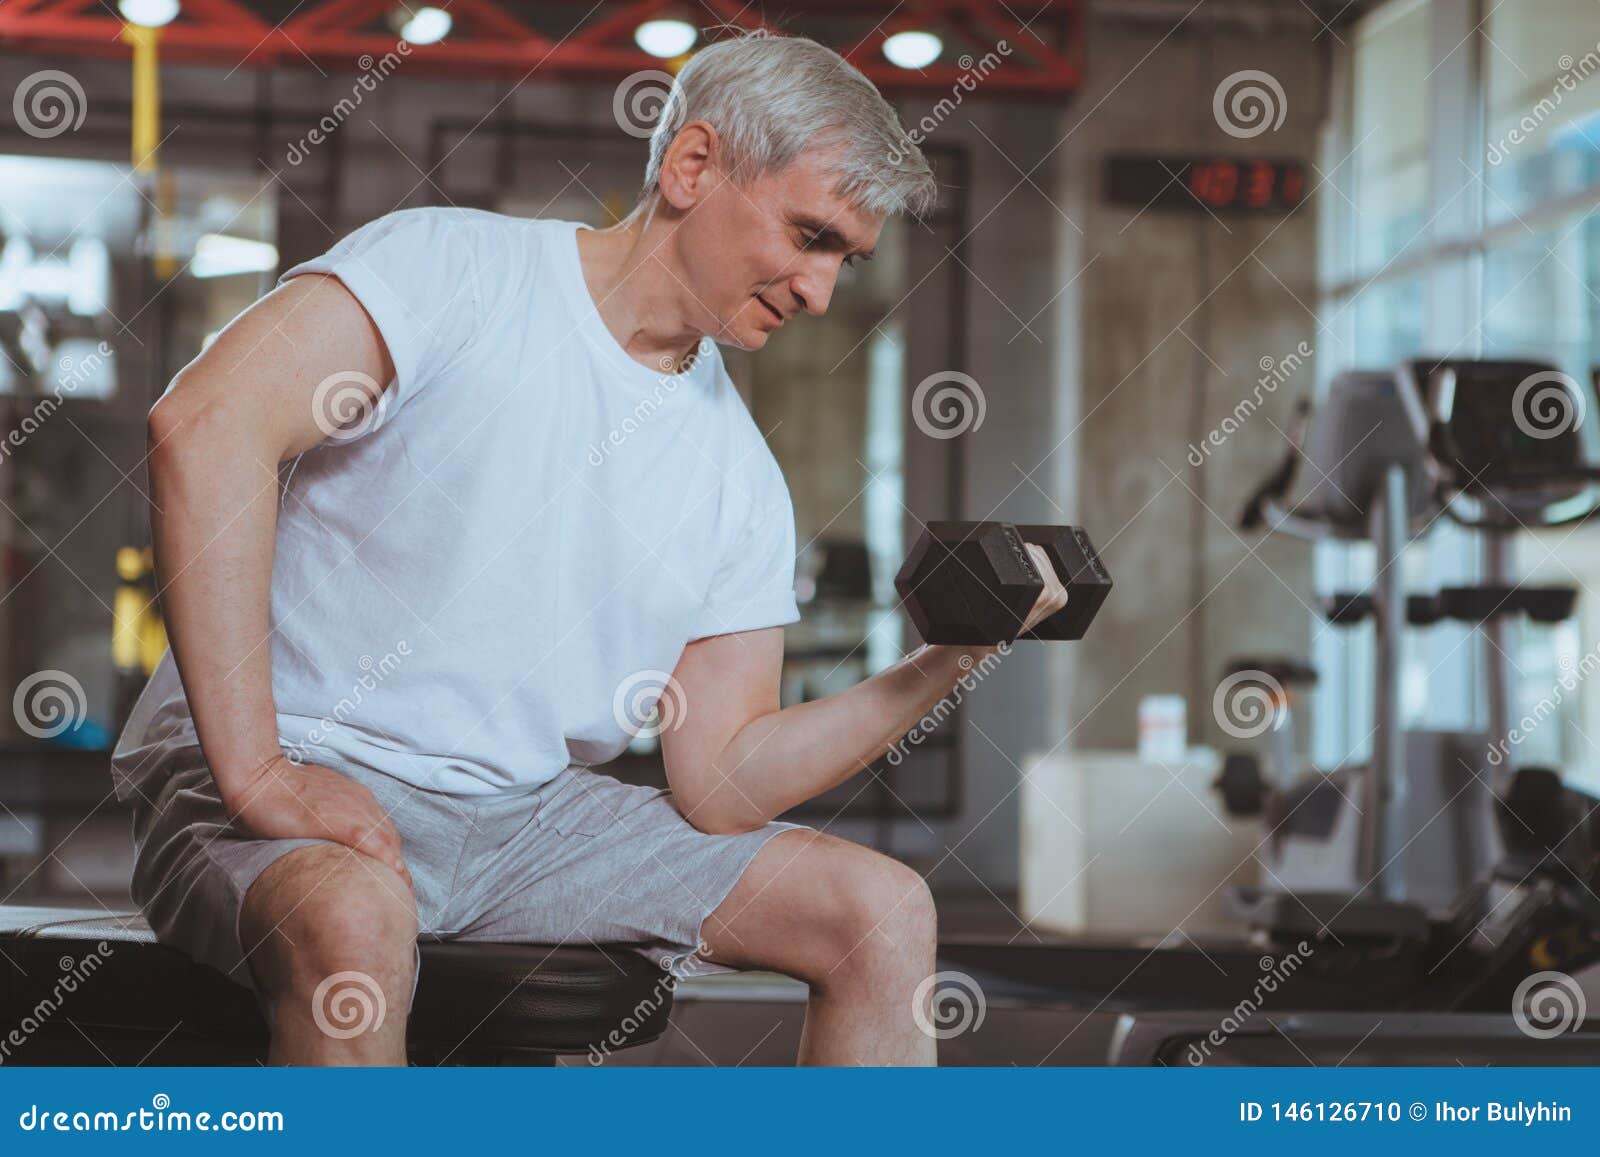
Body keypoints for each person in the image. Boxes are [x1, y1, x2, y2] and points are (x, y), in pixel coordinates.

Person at [112, 31, 1067, 1066]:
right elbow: (206, 426)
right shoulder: (453, 271)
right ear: (692, 165)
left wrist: (947, 661)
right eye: (808, 234)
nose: (820, 290)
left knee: (879, 909)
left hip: (525, 824)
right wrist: (255, 771)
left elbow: (724, 778)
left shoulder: (738, 477)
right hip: (302, 760)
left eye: (843, 256)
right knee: (351, 923)